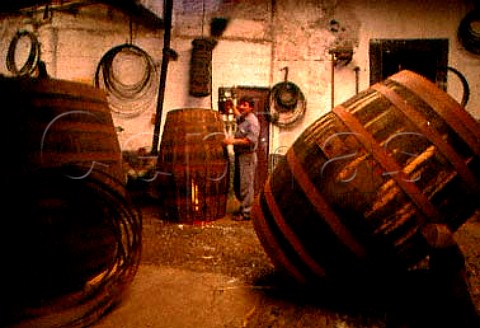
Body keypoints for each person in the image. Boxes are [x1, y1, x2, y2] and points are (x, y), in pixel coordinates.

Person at [223, 96, 260, 221]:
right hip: (240, 156)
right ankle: (244, 207)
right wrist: (232, 106)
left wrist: (231, 141)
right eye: (240, 104)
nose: (241, 107)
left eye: (244, 105)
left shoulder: (252, 122)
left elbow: (249, 141)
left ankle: (247, 213)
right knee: (238, 184)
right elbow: (238, 116)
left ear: (251, 107)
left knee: (246, 185)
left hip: (247, 157)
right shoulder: (244, 118)